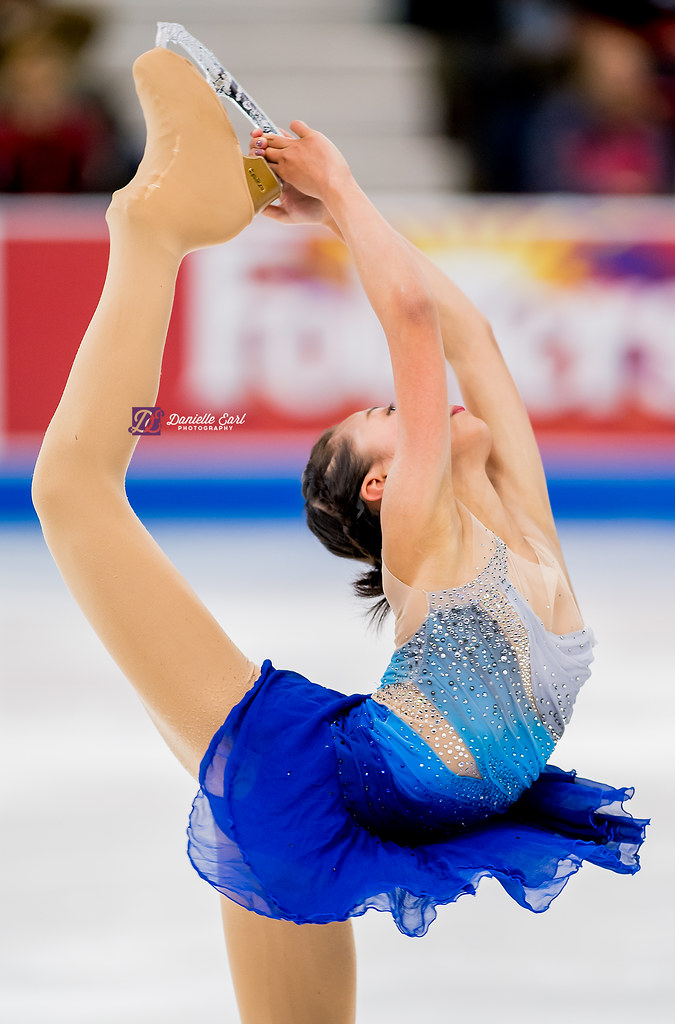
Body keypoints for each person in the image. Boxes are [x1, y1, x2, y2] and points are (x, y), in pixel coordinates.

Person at [32, 31, 647, 1024]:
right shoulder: (424, 532)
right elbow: (409, 321)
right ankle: (147, 232)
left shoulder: (522, 530)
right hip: (316, 777)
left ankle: (168, 225)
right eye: (387, 420)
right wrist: (343, 191)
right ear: (383, 487)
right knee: (71, 487)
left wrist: (335, 211)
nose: (412, 405)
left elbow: (467, 334)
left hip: (324, 792)